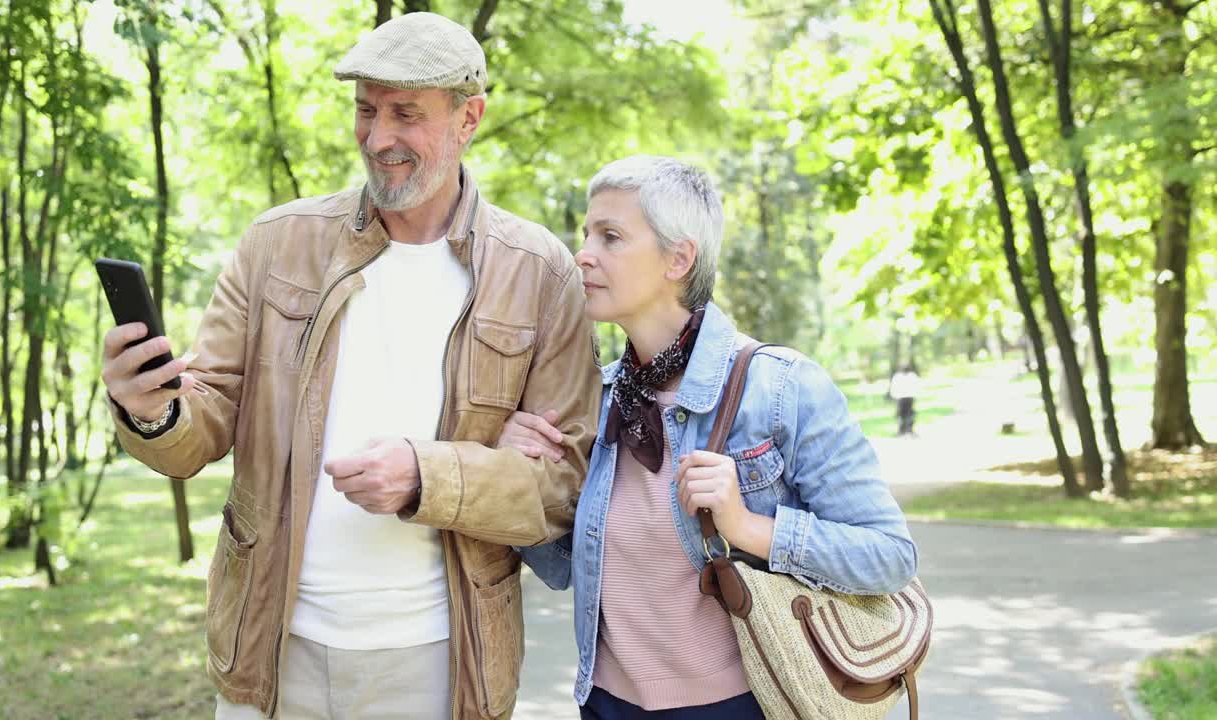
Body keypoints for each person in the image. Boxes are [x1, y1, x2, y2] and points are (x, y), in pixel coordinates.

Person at [99, 12, 601, 720]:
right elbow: (203, 422)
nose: (378, 137)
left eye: (405, 113)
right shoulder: (277, 244)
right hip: (271, 647)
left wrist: (427, 475)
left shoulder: (540, 272)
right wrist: (152, 409)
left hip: (440, 661)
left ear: (469, 119)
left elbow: (563, 488)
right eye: (366, 110)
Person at [498, 156, 917, 719]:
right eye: (587, 234)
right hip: (605, 704)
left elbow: (890, 557)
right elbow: (565, 566)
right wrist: (518, 475)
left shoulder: (781, 387)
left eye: (611, 236)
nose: (584, 254)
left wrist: (750, 528)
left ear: (679, 258)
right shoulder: (595, 400)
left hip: (740, 705)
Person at [888, 363, 922, 436]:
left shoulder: (899, 376)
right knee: (905, 414)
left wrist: (894, 396)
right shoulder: (911, 376)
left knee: (905, 414)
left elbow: (894, 387)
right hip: (905, 397)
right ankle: (904, 430)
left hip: (904, 398)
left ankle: (906, 430)